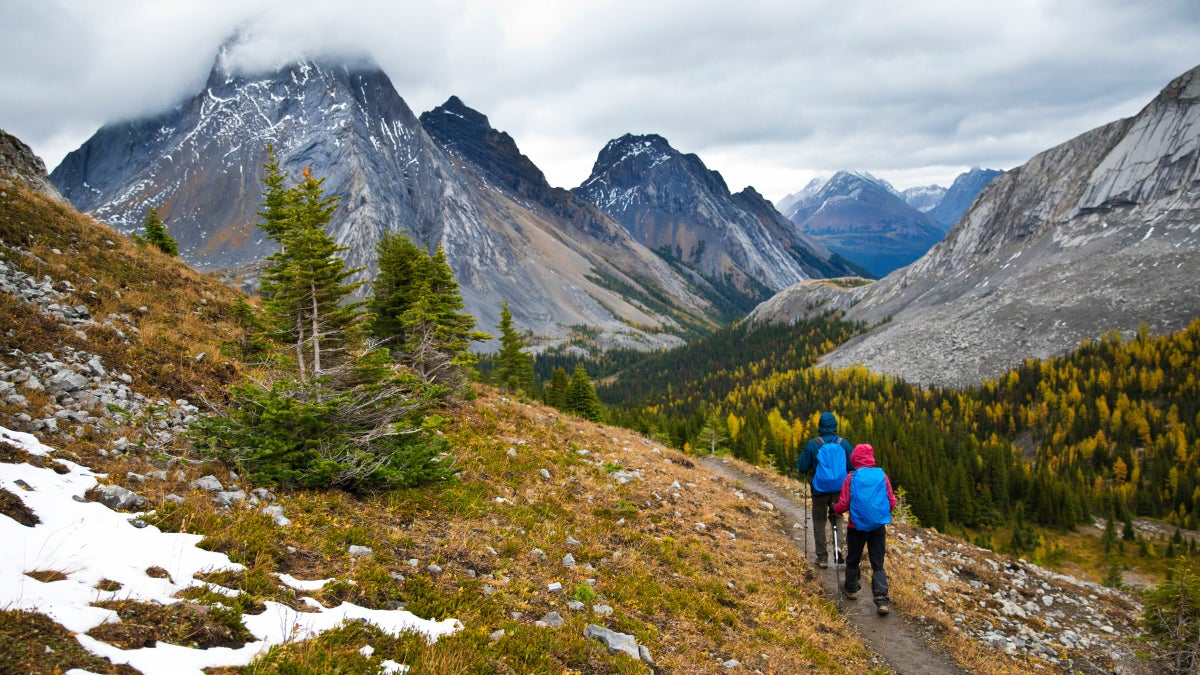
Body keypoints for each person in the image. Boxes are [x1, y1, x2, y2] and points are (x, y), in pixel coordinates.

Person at [833, 443, 898, 616]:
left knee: (853, 559)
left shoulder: (852, 477)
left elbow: (844, 504)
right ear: (871, 457)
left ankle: (851, 589)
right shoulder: (882, 476)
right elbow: (892, 502)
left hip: (857, 526)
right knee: (878, 564)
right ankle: (882, 599)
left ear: (854, 458)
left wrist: (835, 509)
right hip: (877, 526)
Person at [796, 412, 854, 568]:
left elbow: (802, 467)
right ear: (835, 426)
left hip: (819, 491)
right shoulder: (843, 443)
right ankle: (838, 548)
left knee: (819, 521)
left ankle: (822, 558)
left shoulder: (814, 444)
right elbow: (853, 465)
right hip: (839, 490)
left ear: (820, 426)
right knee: (838, 518)